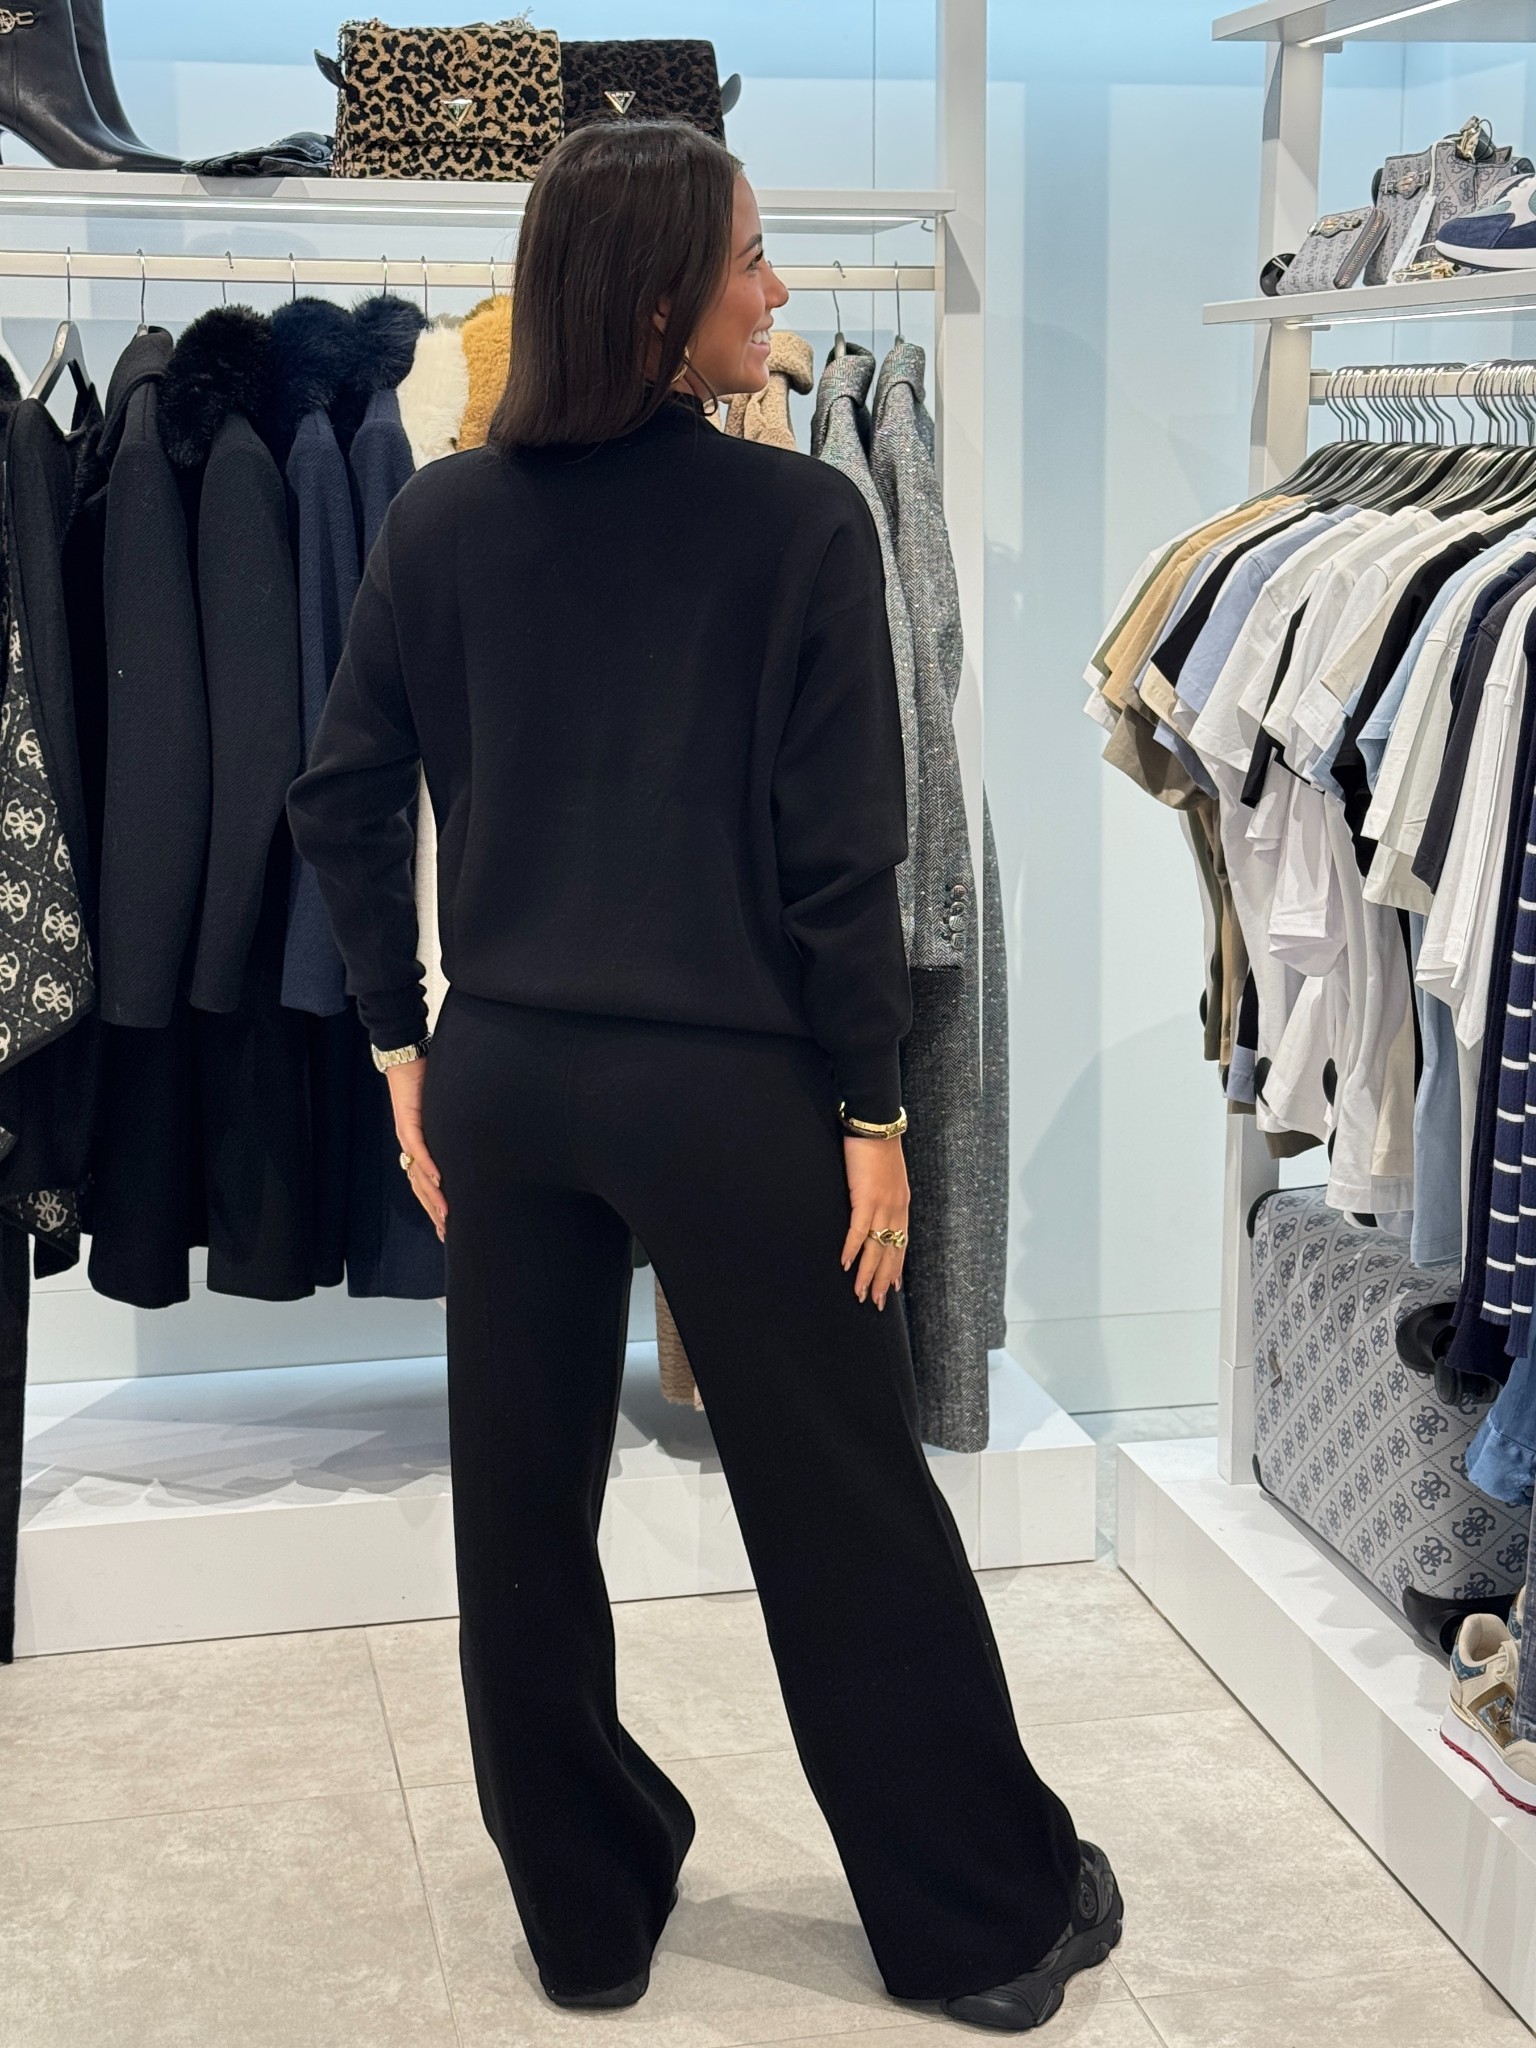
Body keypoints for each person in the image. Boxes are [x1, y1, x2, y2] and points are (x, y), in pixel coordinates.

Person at [287, 117, 1120, 2035]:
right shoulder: (796, 523)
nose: (779, 291)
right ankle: (985, 1924)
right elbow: (843, 861)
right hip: (732, 1095)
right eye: (751, 257)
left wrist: (402, 1043)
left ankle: (585, 1918)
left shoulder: (442, 519)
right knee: (844, 1509)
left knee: (519, 1514)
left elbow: (340, 796)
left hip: (508, 1076)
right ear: (662, 298)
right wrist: (876, 1113)